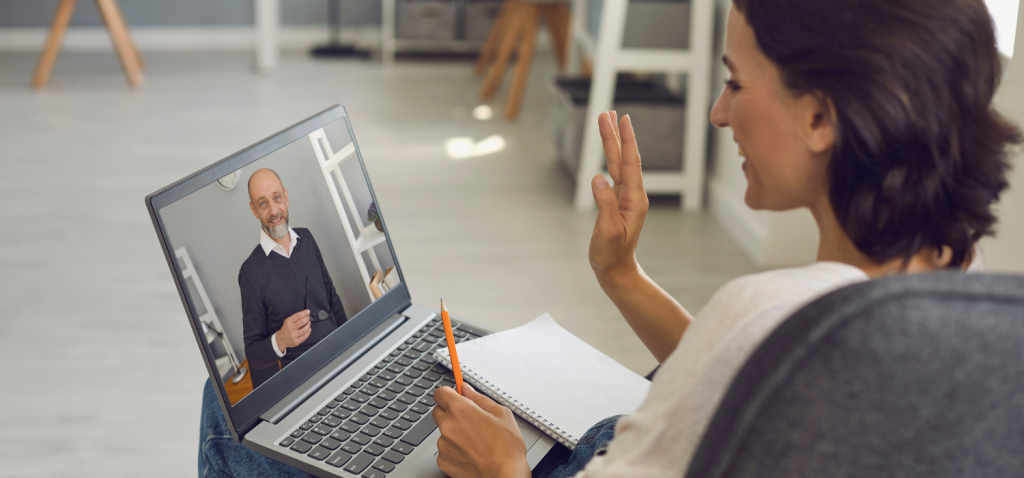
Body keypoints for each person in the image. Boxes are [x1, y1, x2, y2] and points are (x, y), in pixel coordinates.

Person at [429, 0, 1021, 477]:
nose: (718, 112)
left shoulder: (768, 311)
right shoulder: (964, 281)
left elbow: (751, 347)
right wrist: (621, 274)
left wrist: (500, 468)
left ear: (819, 118)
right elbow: (754, 381)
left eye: (735, 83)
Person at [240, 168, 348, 378]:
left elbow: (331, 297)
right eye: (263, 203)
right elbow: (253, 353)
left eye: (277, 198)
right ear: (254, 210)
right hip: (304, 379)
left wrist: (351, 343)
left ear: (286, 197)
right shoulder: (249, 273)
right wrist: (280, 340)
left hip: (340, 356)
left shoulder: (306, 238)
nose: (273, 211)